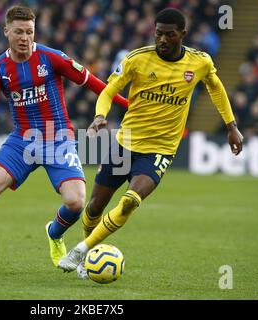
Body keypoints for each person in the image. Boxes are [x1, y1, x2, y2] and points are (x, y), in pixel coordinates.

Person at [0, 5, 128, 272]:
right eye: (18, 32)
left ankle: (54, 232)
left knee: (75, 203)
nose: (24, 37)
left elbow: (93, 82)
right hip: (22, 140)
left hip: (58, 137)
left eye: (29, 32)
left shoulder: (52, 58)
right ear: (6, 32)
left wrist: (127, 104)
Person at [58, 8, 244, 277]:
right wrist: (100, 115)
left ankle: (81, 250)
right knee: (95, 206)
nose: (163, 40)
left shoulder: (199, 62)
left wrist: (231, 126)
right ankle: (90, 255)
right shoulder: (137, 59)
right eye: (159, 34)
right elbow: (109, 90)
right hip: (126, 142)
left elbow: (215, 86)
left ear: (182, 34)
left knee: (131, 200)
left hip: (160, 149)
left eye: (170, 35)